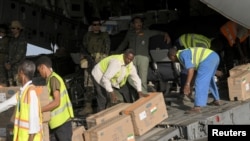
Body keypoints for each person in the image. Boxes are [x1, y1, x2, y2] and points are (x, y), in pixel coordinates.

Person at [114, 16, 171, 94]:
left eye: (140, 22)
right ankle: (137, 93)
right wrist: (115, 53)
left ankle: (143, 94)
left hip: (143, 58)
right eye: (137, 22)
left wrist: (166, 34)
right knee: (131, 78)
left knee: (142, 78)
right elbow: (123, 44)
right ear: (133, 24)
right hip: (131, 58)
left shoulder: (146, 32)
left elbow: (159, 32)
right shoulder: (130, 33)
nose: (139, 24)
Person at [168, 47, 220, 114]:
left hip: (207, 59)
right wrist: (191, 86)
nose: (172, 61)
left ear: (172, 55)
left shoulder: (182, 55)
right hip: (214, 56)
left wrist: (187, 84)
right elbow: (194, 72)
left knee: (199, 82)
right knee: (209, 79)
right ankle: (216, 100)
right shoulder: (184, 52)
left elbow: (191, 70)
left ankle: (197, 107)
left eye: (170, 59)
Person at [0, 60, 43, 141]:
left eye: (18, 73)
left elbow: (34, 123)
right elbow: (5, 105)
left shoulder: (31, 92)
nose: (17, 76)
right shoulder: (22, 93)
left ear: (21, 72)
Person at [36, 55, 74, 141]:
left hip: (62, 123)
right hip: (56, 123)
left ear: (43, 67)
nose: (40, 74)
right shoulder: (49, 80)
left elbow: (57, 102)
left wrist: (39, 110)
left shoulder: (53, 79)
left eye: (39, 71)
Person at [175, 33, 224, 100]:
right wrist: (215, 71)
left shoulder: (207, 42)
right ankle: (184, 92)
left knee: (193, 70)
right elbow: (202, 64)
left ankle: (189, 90)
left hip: (185, 41)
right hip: (182, 43)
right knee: (187, 68)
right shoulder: (203, 46)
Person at [80, 17, 111, 115]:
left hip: (101, 63)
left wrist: (102, 60)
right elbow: (83, 48)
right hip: (90, 62)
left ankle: (104, 106)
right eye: (94, 24)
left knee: (101, 85)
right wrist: (85, 58)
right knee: (88, 85)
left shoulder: (104, 36)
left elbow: (107, 49)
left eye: (98, 24)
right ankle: (88, 106)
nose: (96, 26)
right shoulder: (87, 36)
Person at [5, 20, 27, 86]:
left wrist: (10, 63)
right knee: (11, 89)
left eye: (13, 28)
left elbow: (19, 55)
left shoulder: (22, 40)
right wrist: (6, 63)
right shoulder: (11, 40)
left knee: (18, 87)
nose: (12, 30)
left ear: (18, 29)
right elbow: (8, 53)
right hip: (10, 68)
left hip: (18, 68)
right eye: (11, 28)